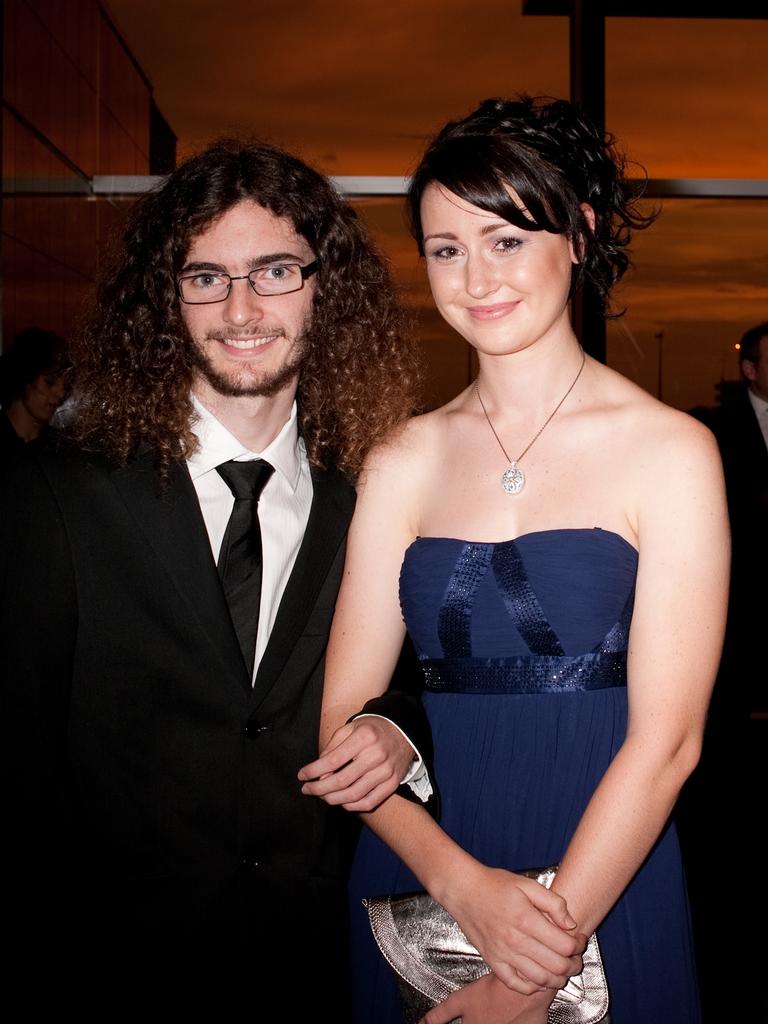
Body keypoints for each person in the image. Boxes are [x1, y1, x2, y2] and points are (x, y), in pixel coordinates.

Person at [300, 96, 729, 1023]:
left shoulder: (671, 450)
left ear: (577, 235)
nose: (473, 277)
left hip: (604, 878)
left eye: (503, 240)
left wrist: (535, 965)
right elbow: (342, 714)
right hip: (421, 870)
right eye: (445, 248)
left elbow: (669, 745)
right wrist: (466, 892)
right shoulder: (400, 456)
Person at [0, 140, 433, 1014]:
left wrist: (397, 731)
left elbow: (419, 672)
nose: (240, 308)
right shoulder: (57, 491)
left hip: (318, 961)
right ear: (168, 299)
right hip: (110, 965)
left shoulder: (374, 494)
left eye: (274, 271)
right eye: (205, 277)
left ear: (325, 287)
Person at [0, 325, 71, 463]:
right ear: (24, 376)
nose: (61, 394)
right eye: (49, 382)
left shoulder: (59, 447)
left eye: (66, 386)